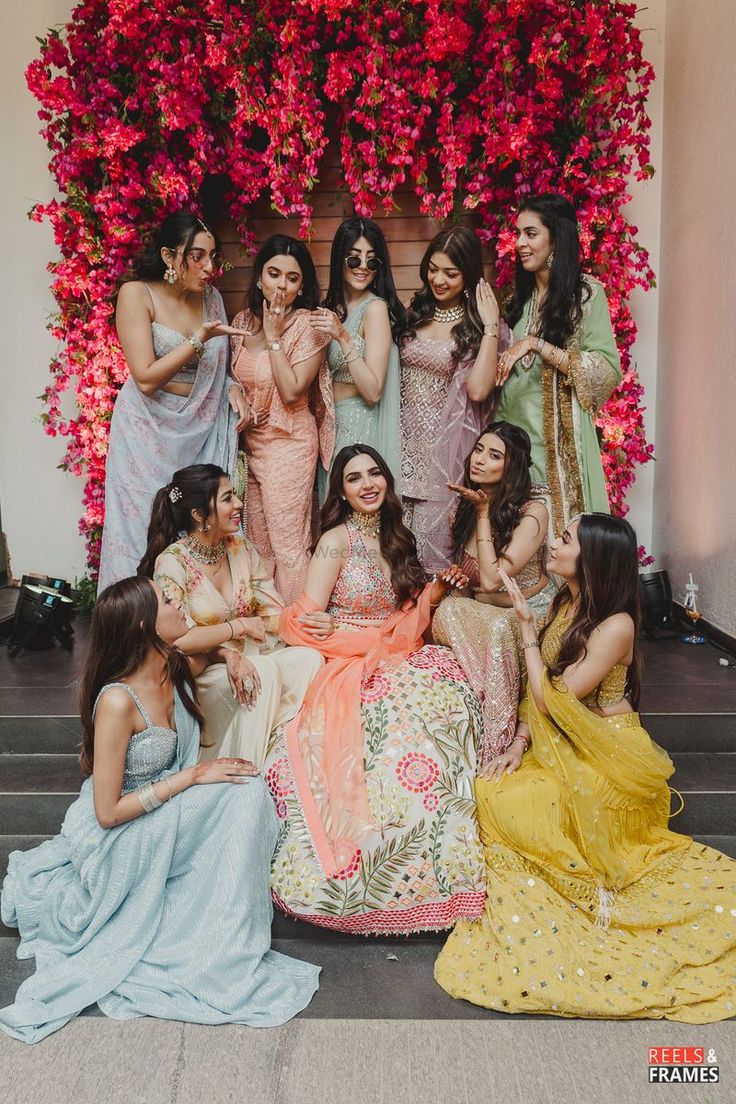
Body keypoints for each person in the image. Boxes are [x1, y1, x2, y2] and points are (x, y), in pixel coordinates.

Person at [435, 514, 736, 1022]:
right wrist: (520, 739)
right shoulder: (566, 602)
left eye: (566, 539)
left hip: (607, 751)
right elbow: (547, 700)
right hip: (565, 737)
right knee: (499, 790)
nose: (553, 543)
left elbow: (554, 698)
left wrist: (527, 633)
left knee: (517, 802)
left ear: (593, 557)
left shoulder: (616, 624)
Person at [0, 576, 319, 1044]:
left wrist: (230, 655)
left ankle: (225, 938)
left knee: (246, 790)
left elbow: (205, 653)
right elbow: (107, 811)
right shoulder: (116, 700)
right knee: (240, 793)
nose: (180, 603)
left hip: (165, 807)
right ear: (147, 622)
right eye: (169, 600)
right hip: (120, 834)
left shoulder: (172, 663)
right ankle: (219, 952)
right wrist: (190, 777)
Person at [264, 444, 486, 935]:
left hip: (397, 650)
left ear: (386, 480)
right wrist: (334, 631)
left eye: (374, 474)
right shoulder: (335, 542)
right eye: (353, 478)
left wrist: (439, 590)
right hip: (350, 660)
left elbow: (405, 613)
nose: (367, 484)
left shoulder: (395, 536)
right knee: (375, 745)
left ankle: (446, 863)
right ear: (340, 493)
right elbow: (304, 618)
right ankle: (366, 872)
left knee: (446, 703)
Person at [98, 211, 248, 592]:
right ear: (168, 256)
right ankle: (136, 628)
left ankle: (192, 624)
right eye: (197, 256)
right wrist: (198, 339)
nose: (209, 266)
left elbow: (218, 366)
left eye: (213, 256)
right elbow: (146, 378)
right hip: (144, 436)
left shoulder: (212, 299)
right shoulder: (137, 294)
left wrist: (231, 385)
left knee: (196, 526)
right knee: (140, 529)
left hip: (198, 434)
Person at [138, 464, 323, 769]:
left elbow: (273, 613)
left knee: (310, 660)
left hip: (253, 656)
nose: (238, 504)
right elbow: (177, 639)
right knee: (263, 672)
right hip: (205, 670)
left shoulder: (242, 549)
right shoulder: (172, 563)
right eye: (226, 498)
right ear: (199, 515)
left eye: (235, 496)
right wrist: (231, 641)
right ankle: (244, 775)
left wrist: (312, 623)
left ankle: (277, 748)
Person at [496, 193, 621, 538]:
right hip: (514, 441)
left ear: (557, 238)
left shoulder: (586, 296)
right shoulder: (516, 301)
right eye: (518, 233)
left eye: (530, 234)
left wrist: (537, 346)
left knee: (562, 537)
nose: (519, 243)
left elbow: (606, 369)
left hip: (558, 443)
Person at [431, 423, 555, 767]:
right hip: (485, 611)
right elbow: (475, 585)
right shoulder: (468, 505)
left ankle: (499, 744)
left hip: (527, 615)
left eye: (494, 455)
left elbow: (490, 579)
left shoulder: (533, 513)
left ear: (512, 467)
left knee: (492, 627)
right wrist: (456, 581)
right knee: (447, 607)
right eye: (479, 450)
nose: (480, 460)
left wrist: (485, 513)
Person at [230, 235, 333, 602]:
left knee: (289, 545)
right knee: (258, 543)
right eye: (274, 274)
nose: (281, 285)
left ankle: (299, 632)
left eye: (292, 278)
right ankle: (270, 627)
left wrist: (274, 340)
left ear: (302, 285)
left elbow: (291, 391)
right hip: (250, 445)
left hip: (289, 443)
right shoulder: (242, 321)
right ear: (260, 277)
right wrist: (233, 390)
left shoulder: (309, 326)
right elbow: (232, 378)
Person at [397, 225, 507, 570]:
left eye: (451, 272)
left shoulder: (482, 328)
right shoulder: (415, 312)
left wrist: (490, 327)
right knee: (397, 547)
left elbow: (477, 390)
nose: (438, 279)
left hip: (444, 456)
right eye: (432, 268)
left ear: (470, 275)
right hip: (401, 448)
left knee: (434, 554)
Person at [311, 217, 404, 499]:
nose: (363, 267)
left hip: (360, 424)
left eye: (372, 261)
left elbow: (374, 391)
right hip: (330, 426)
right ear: (339, 260)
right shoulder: (333, 308)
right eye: (354, 260)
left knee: (355, 511)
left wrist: (344, 338)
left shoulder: (374, 309)